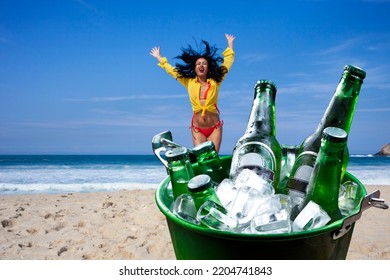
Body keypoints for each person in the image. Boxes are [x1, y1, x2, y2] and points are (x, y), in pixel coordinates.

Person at [150, 34, 235, 153]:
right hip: (197, 129)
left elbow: (227, 63)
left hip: (214, 128)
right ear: (195, 68)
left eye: (204, 63)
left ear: (208, 67)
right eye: (198, 64)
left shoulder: (216, 81)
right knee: (200, 160)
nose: (201, 65)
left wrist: (230, 44)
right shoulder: (189, 82)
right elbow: (173, 71)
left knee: (213, 160)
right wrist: (160, 58)